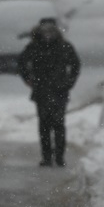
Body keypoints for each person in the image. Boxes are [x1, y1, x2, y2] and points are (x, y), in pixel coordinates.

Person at [17, 18, 80, 167]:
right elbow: (22, 63)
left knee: (56, 124)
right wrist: (27, 78)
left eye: (50, 30)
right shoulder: (35, 47)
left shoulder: (62, 46)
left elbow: (75, 65)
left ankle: (57, 157)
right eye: (45, 30)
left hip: (57, 91)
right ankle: (49, 157)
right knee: (47, 125)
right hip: (44, 91)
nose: (47, 33)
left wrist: (68, 83)